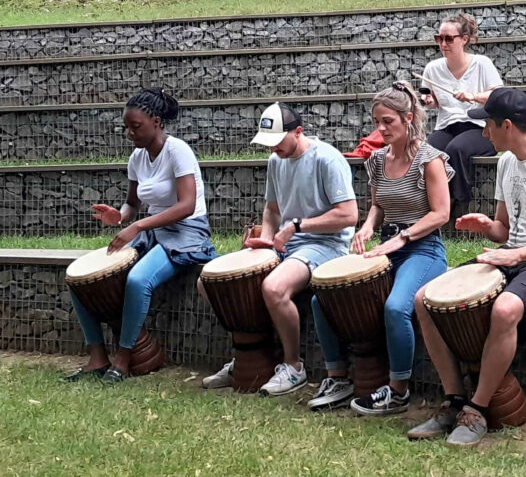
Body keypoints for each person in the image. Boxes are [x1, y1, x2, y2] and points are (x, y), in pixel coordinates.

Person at [408, 87, 526, 446]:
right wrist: (487, 228)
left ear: (506, 125)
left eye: (487, 126)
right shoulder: (507, 161)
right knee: (424, 299)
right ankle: (453, 398)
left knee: (507, 308)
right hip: (514, 255)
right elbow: (504, 229)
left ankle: (476, 410)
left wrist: (517, 255)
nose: (483, 134)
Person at [306, 83, 452, 413]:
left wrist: (402, 238)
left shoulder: (430, 160)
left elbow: (441, 213)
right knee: (323, 299)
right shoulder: (376, 160)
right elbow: (377, 206)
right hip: (387, 248)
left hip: (423, 250)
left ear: (408, 119)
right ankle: (338, 378)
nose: (381, 129)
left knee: (396, 307)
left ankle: (398, 390)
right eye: (377, 121)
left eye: (388, 121)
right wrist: (368, 226)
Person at [201, 102, 358, 395]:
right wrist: (269, 238)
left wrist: (298, 226)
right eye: (268, 144)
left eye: (277, 142)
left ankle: (293, 366)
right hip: (288, 243)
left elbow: (349, 216)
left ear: (298, 132)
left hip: (327, 245)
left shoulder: (327, 159)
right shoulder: (276, 161)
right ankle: (248, 354)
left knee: (274, 288)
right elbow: (272, 209)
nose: (273, 149)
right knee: (208, 283)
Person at [64, 89, 216, 383]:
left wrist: (137, 226)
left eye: (136, 126)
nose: (130, 133)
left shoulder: (178, 151)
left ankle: (122, 360)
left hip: (187, 232)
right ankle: (97, 357)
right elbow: (133, 204)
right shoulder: (137, 158)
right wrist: (119, 216)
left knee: (137, 280)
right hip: (152, 230)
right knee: (79, 278)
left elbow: (186, 205)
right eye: (127, 127)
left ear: (156, 122)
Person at [421, 13, 504, 208]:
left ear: (464, 39)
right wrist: (429, 100)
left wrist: (472, 96)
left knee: (456, 150)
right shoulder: (432, 68)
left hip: (480, 126)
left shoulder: (482, 63)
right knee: (428, 152)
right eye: (439, 38)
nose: (443, 44)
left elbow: (498, 96)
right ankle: (434, 204)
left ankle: (458, 204)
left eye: (449, 38)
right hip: (448, 125)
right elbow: (432, 101)